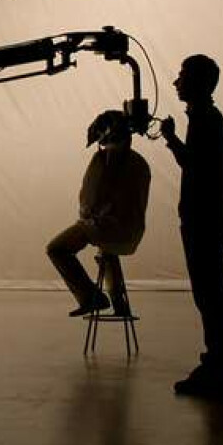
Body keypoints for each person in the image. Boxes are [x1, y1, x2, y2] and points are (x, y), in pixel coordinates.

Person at [160, 54, 223, 400]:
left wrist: (171, 138)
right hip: (207, 219)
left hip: (204, 220)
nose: (176, 82)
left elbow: (195, 165)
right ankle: (219, 362)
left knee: (210, 293)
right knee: (210, 292)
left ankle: (220, 364)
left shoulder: (206, 120)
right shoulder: (206, 118)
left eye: (182, 76)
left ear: (198, 82)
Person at [46, 110, 151, 317]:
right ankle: (120, 304)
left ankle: (90, 298)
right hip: (131, 231)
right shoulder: (140, 162)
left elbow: (90, 197)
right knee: (107, 251)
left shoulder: (103, 159)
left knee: (56, 249)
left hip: (105, 226)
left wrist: (86, 221)